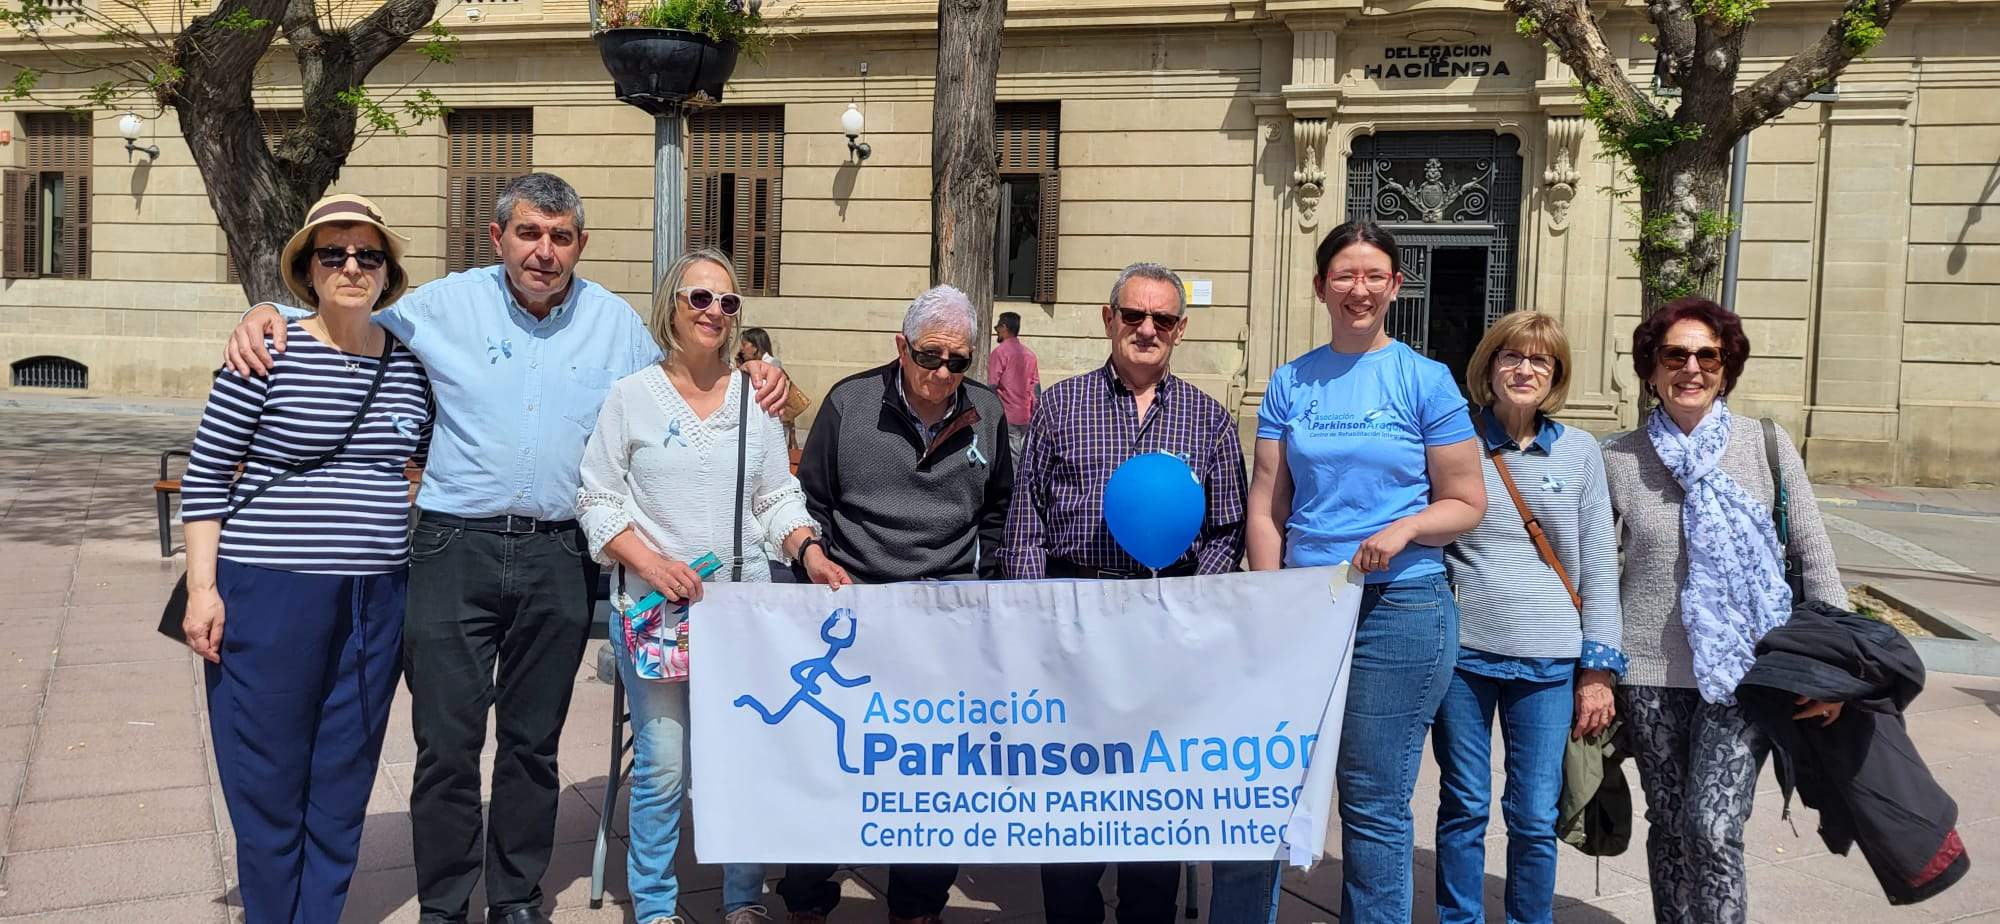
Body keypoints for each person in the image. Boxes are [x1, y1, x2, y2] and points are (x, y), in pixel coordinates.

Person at [221, 173, 788, 924]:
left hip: (559, 554)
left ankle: (517, 899)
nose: (543, 252)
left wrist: (760, 368)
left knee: (532, 744)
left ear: (579, 245)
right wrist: (269, 309)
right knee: (447, 746)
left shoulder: (617, 326)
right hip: (455, 547)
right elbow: (347, 303)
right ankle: (447, 904)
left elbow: (689, 366)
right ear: (498, 238)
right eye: (529, 233)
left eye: (560, 238)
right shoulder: (443, 305)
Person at [1215, 220, 1486, 924]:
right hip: (1305, 609)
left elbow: (1466, 502)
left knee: (1371, 800)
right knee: (1260, 784)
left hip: (1399, 611)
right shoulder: (1289, 381)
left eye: (1373, 276)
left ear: (1396, 286)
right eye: (1344, 276)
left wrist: (1404, 528)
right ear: (1319, 286)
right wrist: (1274, 602)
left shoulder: (1426, 380)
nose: (1358, 290)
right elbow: (1268, 505)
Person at [578, 249, 851, 924]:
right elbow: (597, 499)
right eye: (699, 298)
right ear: (671, 304)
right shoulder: (630, 398)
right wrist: (648, 562)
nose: (714, 313)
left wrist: (810, 551)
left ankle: (740, 901)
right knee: (665, 769)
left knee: (744, 761)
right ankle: (655, 905)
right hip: (655, 611)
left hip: (741, 614)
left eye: (727, 303)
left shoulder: (757, 401)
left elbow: (775, 497)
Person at [182, 194, 432, 923]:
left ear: (388, 271)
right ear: (307, 269)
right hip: (269, 589)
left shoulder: (413, 367)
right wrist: (203, 589)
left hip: (376, 594)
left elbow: (421, 462)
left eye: (368, 255)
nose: (352, 266)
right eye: (334, 254)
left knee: (345, 771)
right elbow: (205, 476)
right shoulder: (268, 351)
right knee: (266, 770)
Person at [1000, 261, 1246, 923]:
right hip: (1075, 621)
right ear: (1109, 320)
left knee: (1152, 802)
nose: (1146, 329)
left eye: (1161, 319)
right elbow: (1028, 525)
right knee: (1072, 803)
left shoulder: (1209, 420)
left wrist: (1192, 618)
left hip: (1164, 627)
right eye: (1133, 315)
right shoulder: (1060, 407)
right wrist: (1035, 624)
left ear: (1180, 330)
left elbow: (1227, 529)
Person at [1600, 296, 1843, 924]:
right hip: (1649, 674)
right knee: (1671, 823)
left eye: (1708, 355)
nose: (1692, 367)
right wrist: (1595, 668)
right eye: (1674, 354)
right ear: (1651, 368)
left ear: (1726, 367)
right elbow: (1596, 573)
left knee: (1711, 825)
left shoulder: (1764, 444)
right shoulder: (1618, 458)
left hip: (1746, 671)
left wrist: (1836, 672)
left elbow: (1814, 557)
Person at [778, 284, 1013, 924]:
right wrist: (821, 566)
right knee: (834, 761)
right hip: (853, 609)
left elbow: (997, 507)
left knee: (933, 773)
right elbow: (814, 501)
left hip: (944, 618)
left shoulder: (987, 414)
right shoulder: (849, 403)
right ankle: (807, 897)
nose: (942, 373)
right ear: (900, 347)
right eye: (929, 356)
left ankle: (917, 905)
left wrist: (978, 575)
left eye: (957, 361)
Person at [1431, 311, 1624, 924]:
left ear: (1556, 376)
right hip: (1464, 654)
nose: (1524, 369)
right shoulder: (1455, 440)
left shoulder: (1580, 452)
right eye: (1511, 356)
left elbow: (1599, 562)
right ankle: (1460, 918)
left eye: (1540, 360)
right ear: (1488, 366)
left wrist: (1599, 668)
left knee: (1534, 814)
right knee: (1463, 805)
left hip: (1549, 658)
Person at [988, 310, 1040, 465]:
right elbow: (1036, 388)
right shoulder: (1030, 355)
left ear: (1004, 327)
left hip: (1006, 413)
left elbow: (992, 385)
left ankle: (1016, 488)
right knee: (1025, 453)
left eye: (997, 328)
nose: (996, 331)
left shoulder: (999, 353)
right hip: (1026, 414)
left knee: (1012, 458)